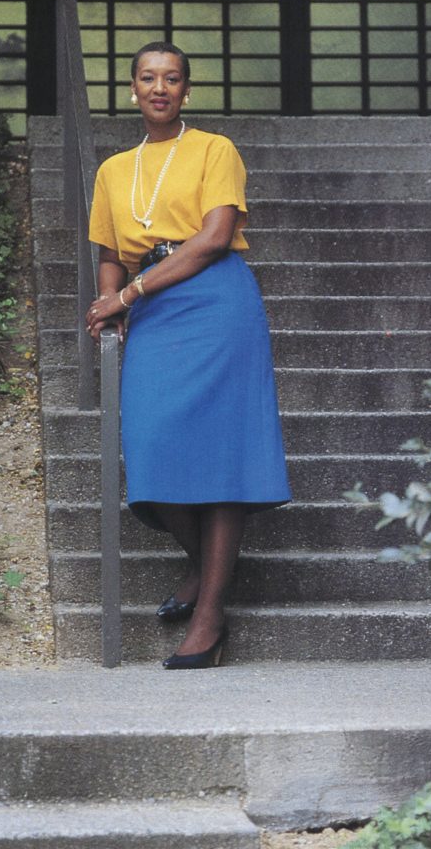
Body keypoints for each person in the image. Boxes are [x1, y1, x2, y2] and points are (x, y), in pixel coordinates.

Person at [85, 42, 291, 670]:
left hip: (216, 301)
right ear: (131, 89)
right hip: (152, 309)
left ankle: (210, 617)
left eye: (172, 78)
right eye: (148, 77)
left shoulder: (214, 149)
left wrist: (130, 291)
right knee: (149, 436)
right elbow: (110, 254)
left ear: (186, 91)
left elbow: (214, 236)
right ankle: (205, 567)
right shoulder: (114, 170)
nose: (159, 88)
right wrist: (109, 302)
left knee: (224, 454)